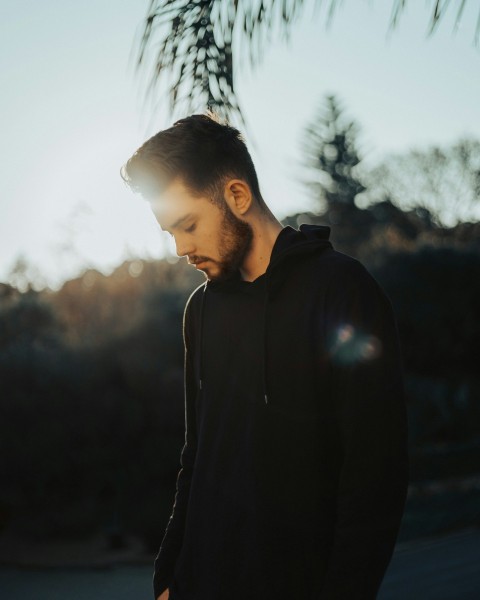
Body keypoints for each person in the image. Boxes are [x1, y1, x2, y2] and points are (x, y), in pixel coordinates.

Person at [120, 111, 409, 600]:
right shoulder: (201, 310)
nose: (179, 249)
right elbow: (198, 453)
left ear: (237, 195)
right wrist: (168, 573)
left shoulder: (340, 292)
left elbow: (375, 473)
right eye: (169, 232)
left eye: (187, 225)